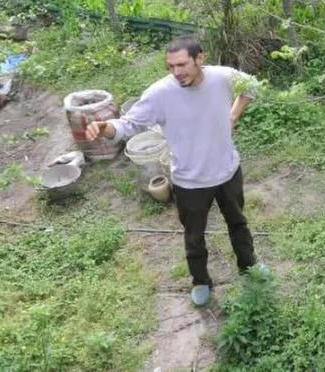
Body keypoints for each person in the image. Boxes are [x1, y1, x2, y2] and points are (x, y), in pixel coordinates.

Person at [85, 36, 264, 307]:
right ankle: (201, 280)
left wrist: (233, 114)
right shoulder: (160, 94)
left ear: (200, 58)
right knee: (194, 236)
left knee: (238, 223)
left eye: (182, 64)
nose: (177, 72)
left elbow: (251, 85)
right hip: (189, 181)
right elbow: (129, 124)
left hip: (227, 171)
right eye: (171, 66)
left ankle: (248, 266)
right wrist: (105, 128)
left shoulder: (222, 77)